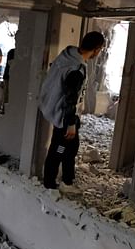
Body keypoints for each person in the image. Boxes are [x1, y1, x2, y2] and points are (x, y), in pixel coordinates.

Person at [39, 31, 105, 192]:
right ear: (96, 49)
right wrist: (70, 124)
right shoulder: (76, 69)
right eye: (101, 49)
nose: (100, 52)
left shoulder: (67, 55)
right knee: (60, 148)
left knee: (69, 148)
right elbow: (70, 99)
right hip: (63, 115)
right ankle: (53, 182)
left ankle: (66, 180)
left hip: (53, 107)